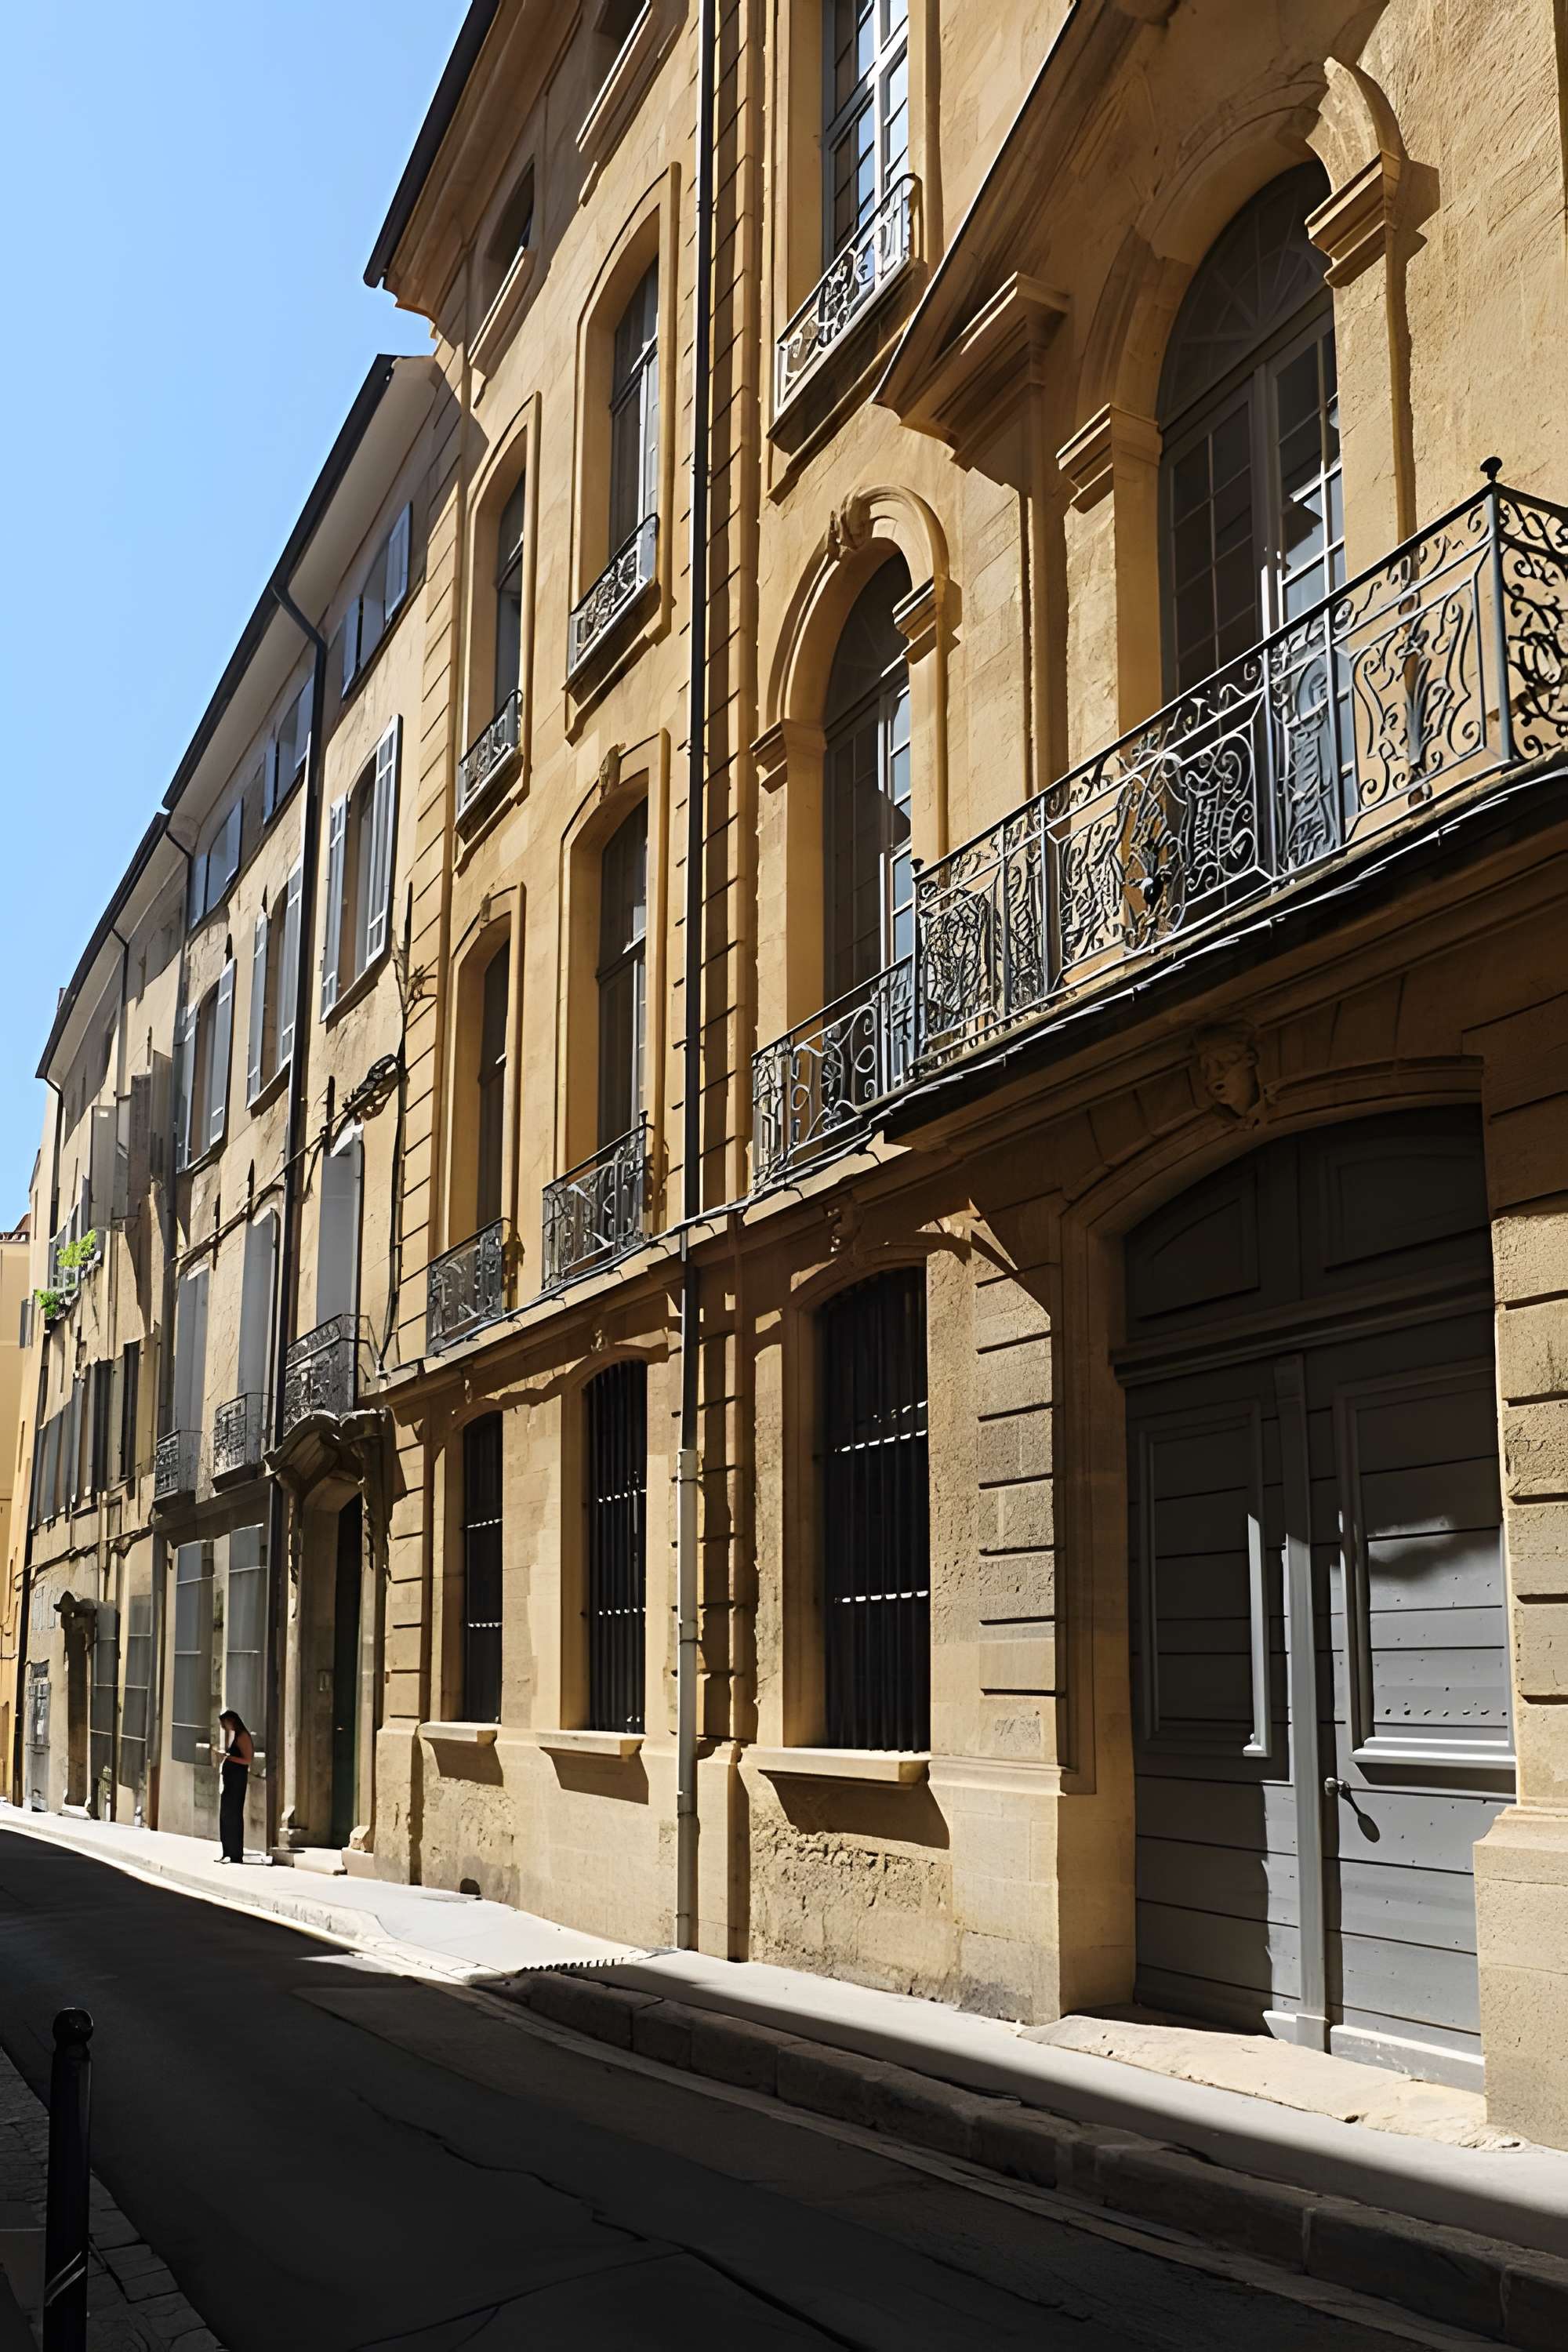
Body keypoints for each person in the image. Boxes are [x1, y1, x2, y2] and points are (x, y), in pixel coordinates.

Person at [218, 1710, 254, 1864]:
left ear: (231, 1721)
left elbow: (247, 1759)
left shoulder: (242, 1736)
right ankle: (227, 1851)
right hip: (229, 1782)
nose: (224, 1727)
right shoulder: (233, 1735)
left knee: (234, 1816)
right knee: (225, 1816)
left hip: (237, 1782)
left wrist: (229, 1758)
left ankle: (236, 1853)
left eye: (225, 1723)